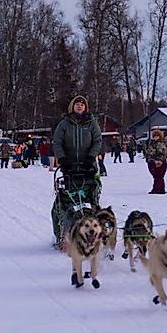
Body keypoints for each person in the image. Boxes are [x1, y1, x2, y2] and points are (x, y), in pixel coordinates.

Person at [51, 95, 103, 246]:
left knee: (92, 201)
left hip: (88, 167)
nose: (80, 106)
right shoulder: (64, 124)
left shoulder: (92, 123)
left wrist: (91, 156)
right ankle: (63, 235)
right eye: (77, 104)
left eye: (82, 104)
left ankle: (97, 234)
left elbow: (98, 141)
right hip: (69, 167)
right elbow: (57, 142)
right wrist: (62, 159)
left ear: (85, 107)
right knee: (65, 203)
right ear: (72, 107)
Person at [145, 129, 167, 194]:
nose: (156, 137)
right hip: (152, 162)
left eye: (157, 136)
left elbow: (163, 153)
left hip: (159, 162)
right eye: (154, 136)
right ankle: (160, 189)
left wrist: (159, 161)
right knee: (157, 176)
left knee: (158, 176)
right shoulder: (152, 144)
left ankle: (157, 189)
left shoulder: (160, 144)